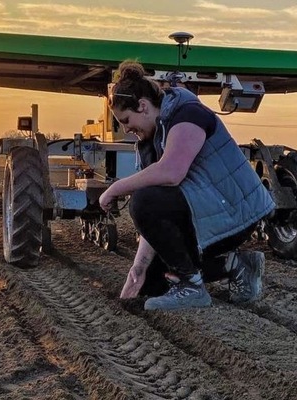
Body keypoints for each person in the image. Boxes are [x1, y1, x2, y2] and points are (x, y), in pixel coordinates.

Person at [98, 60, 275, 311]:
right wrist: (137, 270)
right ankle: (236, 265)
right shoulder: (154, 138)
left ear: (143, 106)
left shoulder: (188, 114)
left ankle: (192, 287)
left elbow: (171, 173)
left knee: (142, 200)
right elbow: (155, 218)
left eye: (126, 120)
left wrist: (116, 188)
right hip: (209, 209)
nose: (127, 129)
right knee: (152, 281)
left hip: (237, 212)